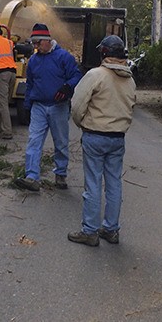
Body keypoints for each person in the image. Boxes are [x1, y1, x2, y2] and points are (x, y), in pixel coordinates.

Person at [68, 35, 135, 247]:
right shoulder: (130, 79)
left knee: (93, 184)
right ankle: (111, 229)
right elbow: (130, 107)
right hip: (117, 138)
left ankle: (89, 231)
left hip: (95, 135)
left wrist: (81, 124)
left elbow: (78, 104)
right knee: (114, 183)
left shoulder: (95, 75)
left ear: (104, 53)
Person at [14, 23, 82, 192]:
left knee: (60, 142)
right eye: (34, 44)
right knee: (34, 141)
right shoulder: (34, 60)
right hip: (39, 106)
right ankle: (31, 177)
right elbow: (30, 84)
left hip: (58, 106)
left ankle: (60, 174)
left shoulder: (64, 57)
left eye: (38, 43)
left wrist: (67, 87)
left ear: (47, 40)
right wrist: (28, 104)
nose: (35, 47)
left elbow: (76, 75)